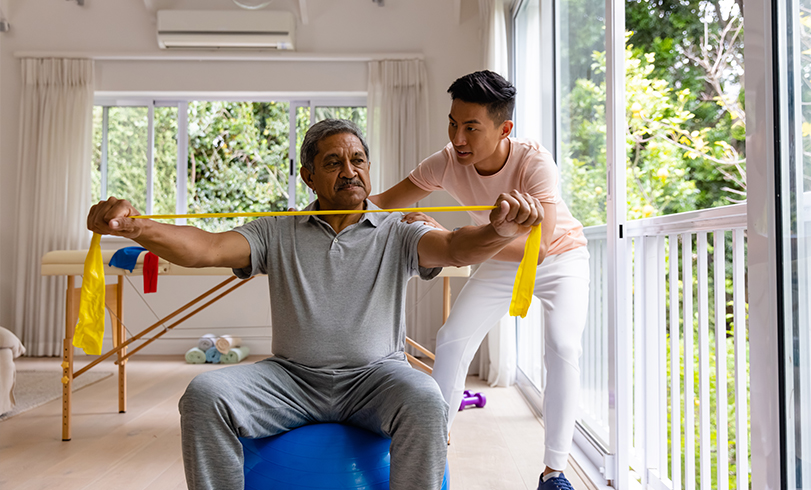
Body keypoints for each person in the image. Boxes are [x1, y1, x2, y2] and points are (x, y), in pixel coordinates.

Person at [87, 118, 544, 490]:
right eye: (333, 162)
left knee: (427, 398)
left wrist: (498, 231)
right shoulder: (276, 230)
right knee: (205, 395)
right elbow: (204, 248)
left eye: (358, 160)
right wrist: (135, 228)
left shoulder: (399, 230)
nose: (350, 170)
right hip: (290, 378)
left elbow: (455, 247)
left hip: (375, 378)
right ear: (308, 175)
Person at [370, 70, 590, 490]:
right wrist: (320, 211)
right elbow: (380, 204)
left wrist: (450, 236)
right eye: (453, 123)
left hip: (562, 258)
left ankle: (555, 472)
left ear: (504, 128)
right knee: (452, 337)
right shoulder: (447, 162)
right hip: (499, 259)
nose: (458, 138)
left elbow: (537, 249)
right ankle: (434, 442)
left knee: (563, 345)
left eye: (472, 127)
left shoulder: (534, 163)